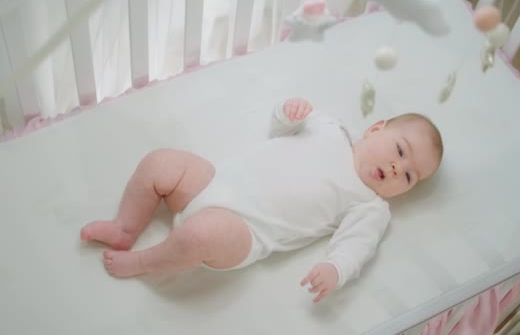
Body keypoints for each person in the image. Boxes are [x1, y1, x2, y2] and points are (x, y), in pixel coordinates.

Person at [80, 97, 443, 303]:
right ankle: (124, 226)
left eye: (410, 176)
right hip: (212, 181)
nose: (397, 168)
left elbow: (357, 247)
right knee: (160, 162)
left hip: (245, 232)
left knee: (198, 236)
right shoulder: (329, 127)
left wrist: (336, 269)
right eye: (400, 150)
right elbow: (279, 130)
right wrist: (287, 113)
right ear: (376, 128)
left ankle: (144, 261)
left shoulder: (370, 206)